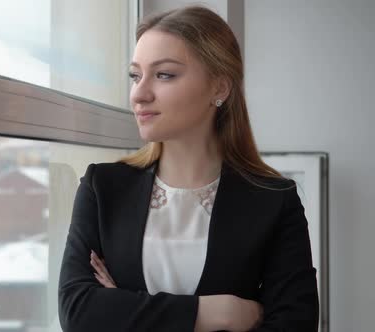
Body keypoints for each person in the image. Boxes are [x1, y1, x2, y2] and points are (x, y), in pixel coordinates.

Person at [57, 5, 319, 332]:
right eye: (135, 75)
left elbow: (295, 325)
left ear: (219, 88)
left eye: (164, 74)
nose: (139, 93)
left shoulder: (274, 200)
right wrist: (220, 312)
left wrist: (125, 307)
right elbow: (79, 313)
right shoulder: (103, 187)